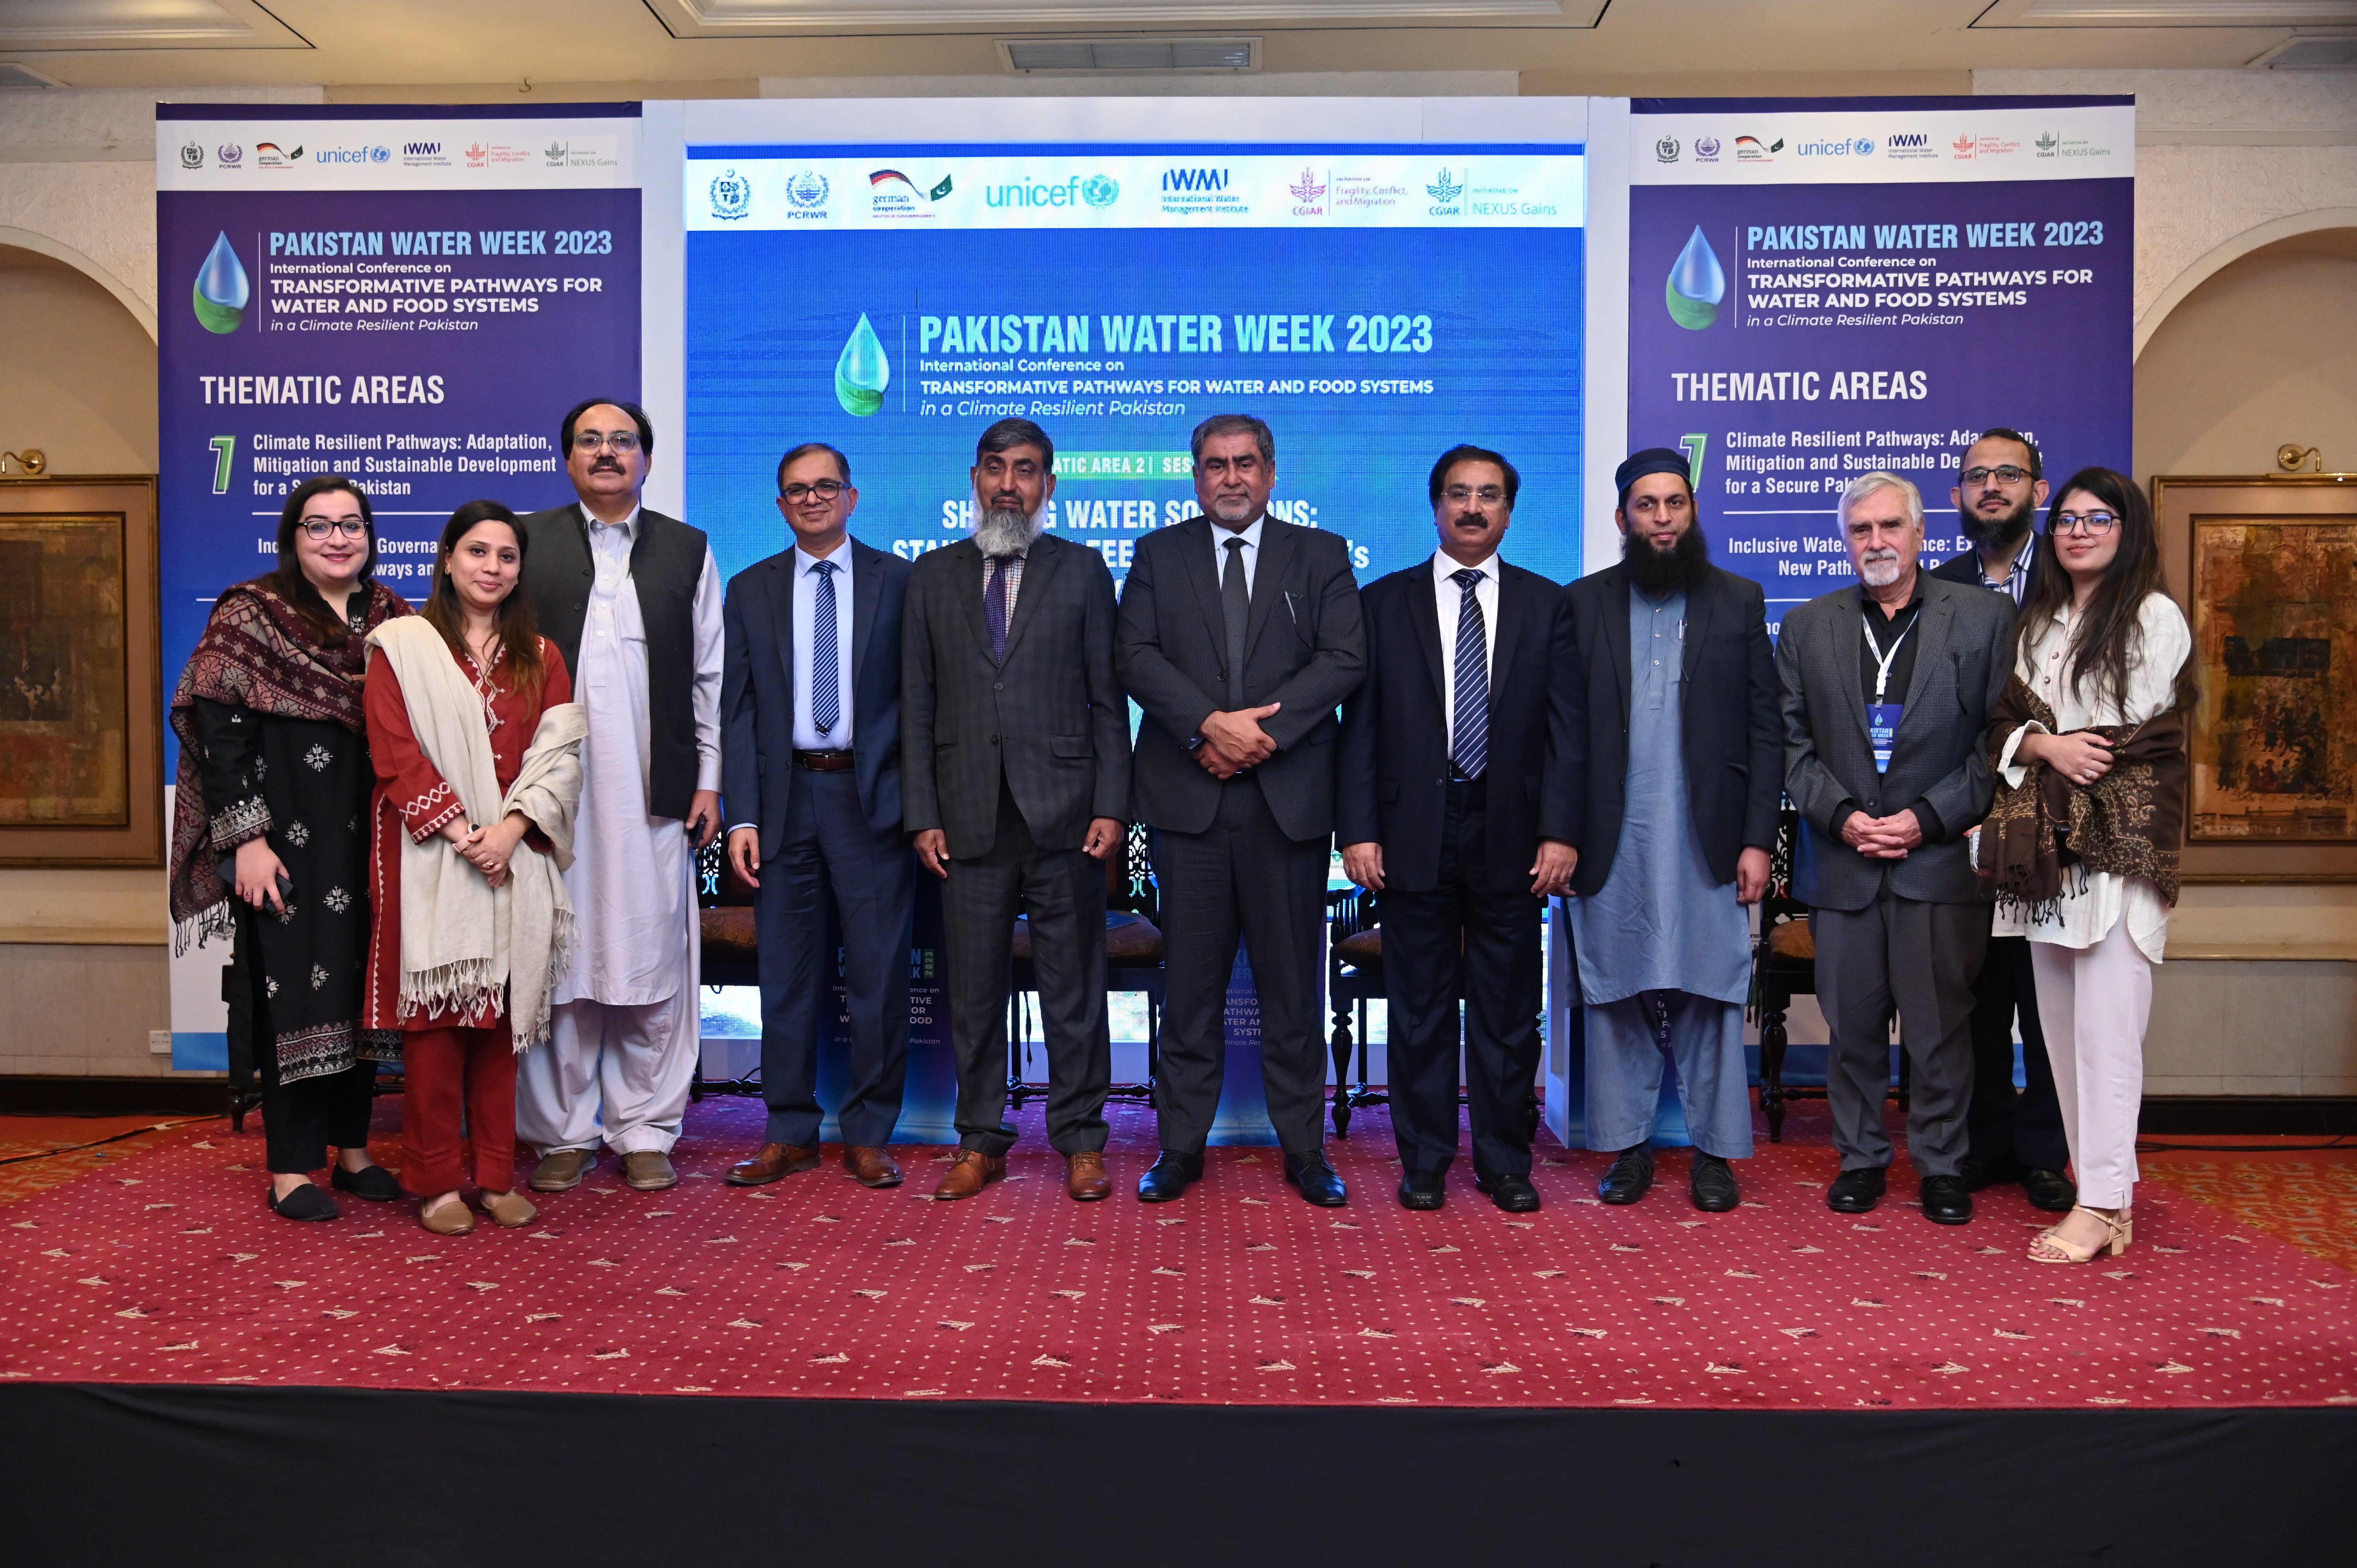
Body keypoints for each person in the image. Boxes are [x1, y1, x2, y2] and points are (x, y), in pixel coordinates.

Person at [1117, 414, 1367, 1206]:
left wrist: (1261, 733)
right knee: (1189, 992)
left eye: (1247, 463)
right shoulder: (1160, 554)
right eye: (1216, 464)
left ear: (1271, 471)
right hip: (1187, 805)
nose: (1232, 477)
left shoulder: (1320, 555)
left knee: (1294, 992)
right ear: (1196, 476)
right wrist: (1207, 725)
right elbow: (1134, 656)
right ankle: (1180, 1147)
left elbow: (1344, 659)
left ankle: (1305, 1150)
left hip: (1285, 806)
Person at [1338, 446, 1577, 1212]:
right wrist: (1359, 831)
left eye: (1489, 495)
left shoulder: (1549, 604)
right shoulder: (1382, 604)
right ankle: (1427, 1160)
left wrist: (1561, 830)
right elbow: (1360, 731)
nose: (1473, 508)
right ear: (1434, 504)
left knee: (1508, 1011)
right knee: (1420, 1008)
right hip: (1411, 831)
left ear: (1510, 509)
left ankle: (1507, 1161)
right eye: (1458, 494)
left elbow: (1568, 734)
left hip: (1514, 834)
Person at [168, 476, 411, 1221]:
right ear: (293, 536)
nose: (338, 538)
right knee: (294, 996)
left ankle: (355, 1151)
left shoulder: (393, 618)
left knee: (366, 995)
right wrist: (244, 840)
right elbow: (219, 734)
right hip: (283, 838)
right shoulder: (251, 614)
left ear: (370, 534)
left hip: (371, 834)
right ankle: (291, 1168)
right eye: (319, 526)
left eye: (351, 524)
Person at [902, 418, 1130, 1202]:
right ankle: (979, 1138)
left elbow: (1109, 700)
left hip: (1065, 813)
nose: (1009, 484)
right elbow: (919, 707)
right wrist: (922, 812)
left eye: (1026, 470)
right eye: (996, 469)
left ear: (1049, 486)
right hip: (966, 817)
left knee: (1076, 988)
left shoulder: (1084, 570)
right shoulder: (931, 577)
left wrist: (1112, 803)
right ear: (975, 480)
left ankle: (1081, 1140)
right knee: (973, 993)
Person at [1777, 471, 2014, 1225]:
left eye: (1890, 527)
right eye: (1860, 530)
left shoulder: (1982, 619)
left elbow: (1997, 741)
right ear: (1845, 540)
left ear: (1920, 534)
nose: (1876, 542)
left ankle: (1943, 1166)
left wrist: (1926, 818)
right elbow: (1788, 741)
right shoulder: (1809, 625)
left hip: (1937, 858)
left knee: (1941, 1028)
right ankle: (1861, 1160)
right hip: (1844, 860)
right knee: (1851, 1028)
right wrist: (1844, 816)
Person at [1559, 449, 1783, 1212]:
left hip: (1709, 836)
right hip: (1609, 835)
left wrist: (1759, 839)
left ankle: (1716, 1153)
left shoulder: (1739, 599)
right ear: (1622, 517)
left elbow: (1766, 731)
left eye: (1674, 504)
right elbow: (1561, 737)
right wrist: (1556, 833)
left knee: (1711, 992)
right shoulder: (1581, 605)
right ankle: (1627, 1151)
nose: (1661, 518)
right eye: (1647, 505)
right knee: (1616, 989)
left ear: (1691, 511)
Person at [1979, 468, 2192, 1264]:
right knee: (2060, 1038)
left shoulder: (2151, 615)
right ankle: (2102, 1191)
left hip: (2114, 850)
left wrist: (2055, 743)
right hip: (2044, 856)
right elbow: (2008, 721)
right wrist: (2042, 744)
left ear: (2127, 527)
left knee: (2109, 1035)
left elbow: (2119, 736)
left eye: (2098, 518)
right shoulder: (2036, 620)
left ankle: (2101, 1202)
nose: (2079, 530)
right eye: (2067, 518)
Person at [514, 400, 724, 1195]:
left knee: (649, 960)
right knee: (560, 963)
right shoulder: (525, 542)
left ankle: (645, 1126)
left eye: (623, 441)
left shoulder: (687, 548)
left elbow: (709, 673)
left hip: (653, 795)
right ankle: (560, 1132)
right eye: (590, 441)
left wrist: (708, 778)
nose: (607, 453)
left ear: (647, 458)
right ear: (567, 458)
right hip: (552, 797)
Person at [364, 501, 585, 1235]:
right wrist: (465, 834)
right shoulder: (403, 645)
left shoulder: (543, 656)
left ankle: (494, 1176)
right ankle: (435, 1182)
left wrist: (512, 831)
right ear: (448, 558)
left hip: (513, 860)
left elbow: (559, 758)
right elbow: (395, 751)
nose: (491, 567)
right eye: (477, 552)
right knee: (436, 1028)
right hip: (434, 859)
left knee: (499, 1026)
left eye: (507, 556)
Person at [721, 443, 916, 1190]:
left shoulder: (900, 581)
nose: (811, 499)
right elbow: (736, 712)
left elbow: (921, 704)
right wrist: (743, 818)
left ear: (852, 496)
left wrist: (918, 809)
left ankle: (869, 1132)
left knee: (877, 975)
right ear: (779, 505)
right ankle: (789, 1132)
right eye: (796, 491)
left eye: (825, 486)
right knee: (788, 977)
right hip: (784, 803)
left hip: (872, 803)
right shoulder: (750, 589)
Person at [1935, 429, 2074, 1215]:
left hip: (2051, 827)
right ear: (1957, 495)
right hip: (1961, 829)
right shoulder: (1937, 584)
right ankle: (1982, 1142)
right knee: (1973, 996)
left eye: (2008, 475)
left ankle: (2045, 1152)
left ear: (2038, 488)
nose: (1992, 487)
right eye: (1977, 476)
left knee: (2045, 995)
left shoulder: (2075, 580)